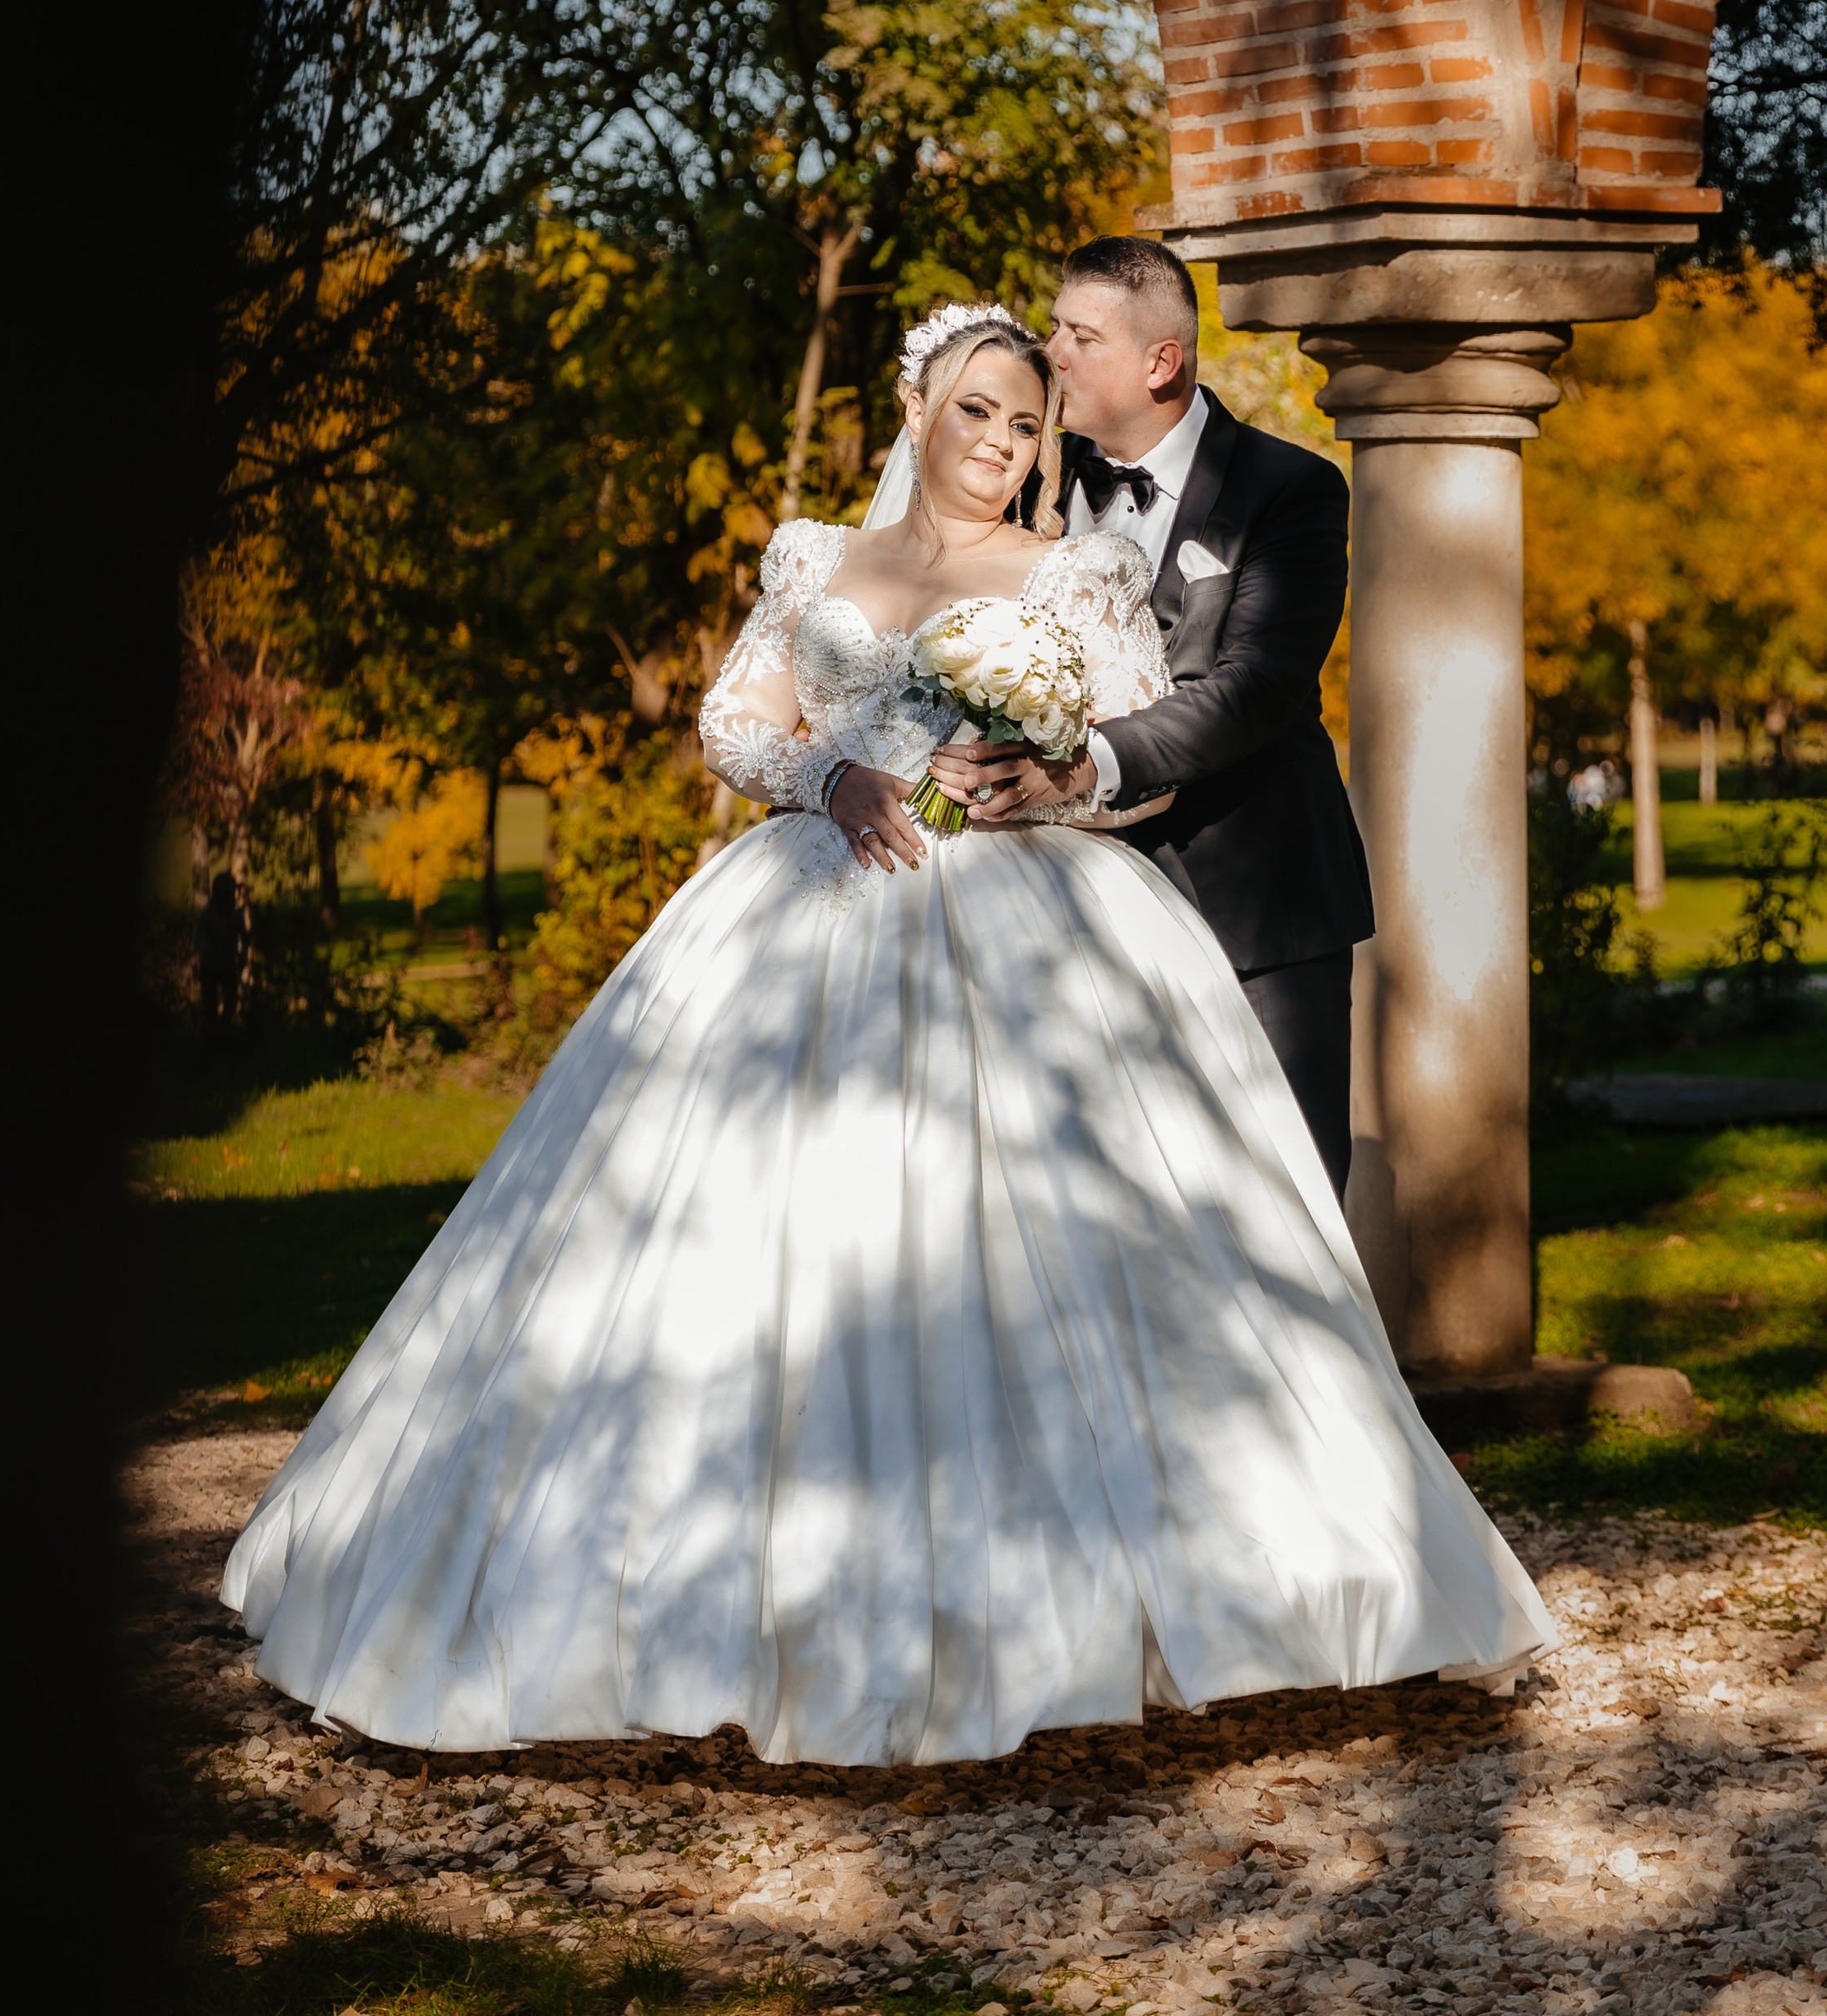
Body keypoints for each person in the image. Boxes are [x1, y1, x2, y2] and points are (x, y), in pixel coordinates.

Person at [221, 300, 1549, 1764]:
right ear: (920, 409)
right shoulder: (815, 558)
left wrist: (1043, 780)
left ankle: (1136, 1598)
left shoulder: (1079, 572)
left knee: (1056, 1252)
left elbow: (1141, 764)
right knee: (744, 1245)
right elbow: (736, 721)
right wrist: (825, 779)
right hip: (808, 906)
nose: (1000, 440)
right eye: (977, 409)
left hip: (1031, 935)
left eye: (1028, 420)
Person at [930, 240, 1372, 1199]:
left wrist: (1084, 767)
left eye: (1079, 336)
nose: (1051, 354)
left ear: (1159, 363)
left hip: (1251, 910)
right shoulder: (1030, 483)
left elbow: (1254, 689)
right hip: (1070, 921)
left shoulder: (1288, 493)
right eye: (1053, 328)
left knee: (1279, 1204)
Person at [195, 868, 250, 1027]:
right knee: (212, 1007)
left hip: (225, 964)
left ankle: (220, 1032)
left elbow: (244, 940)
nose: (233, 894)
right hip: (213, 965)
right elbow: (199, 941)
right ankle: (217, 1034)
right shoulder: (209, 914)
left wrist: (242, 957)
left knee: (229, 1003)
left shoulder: (234, 914)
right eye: (230, 891)